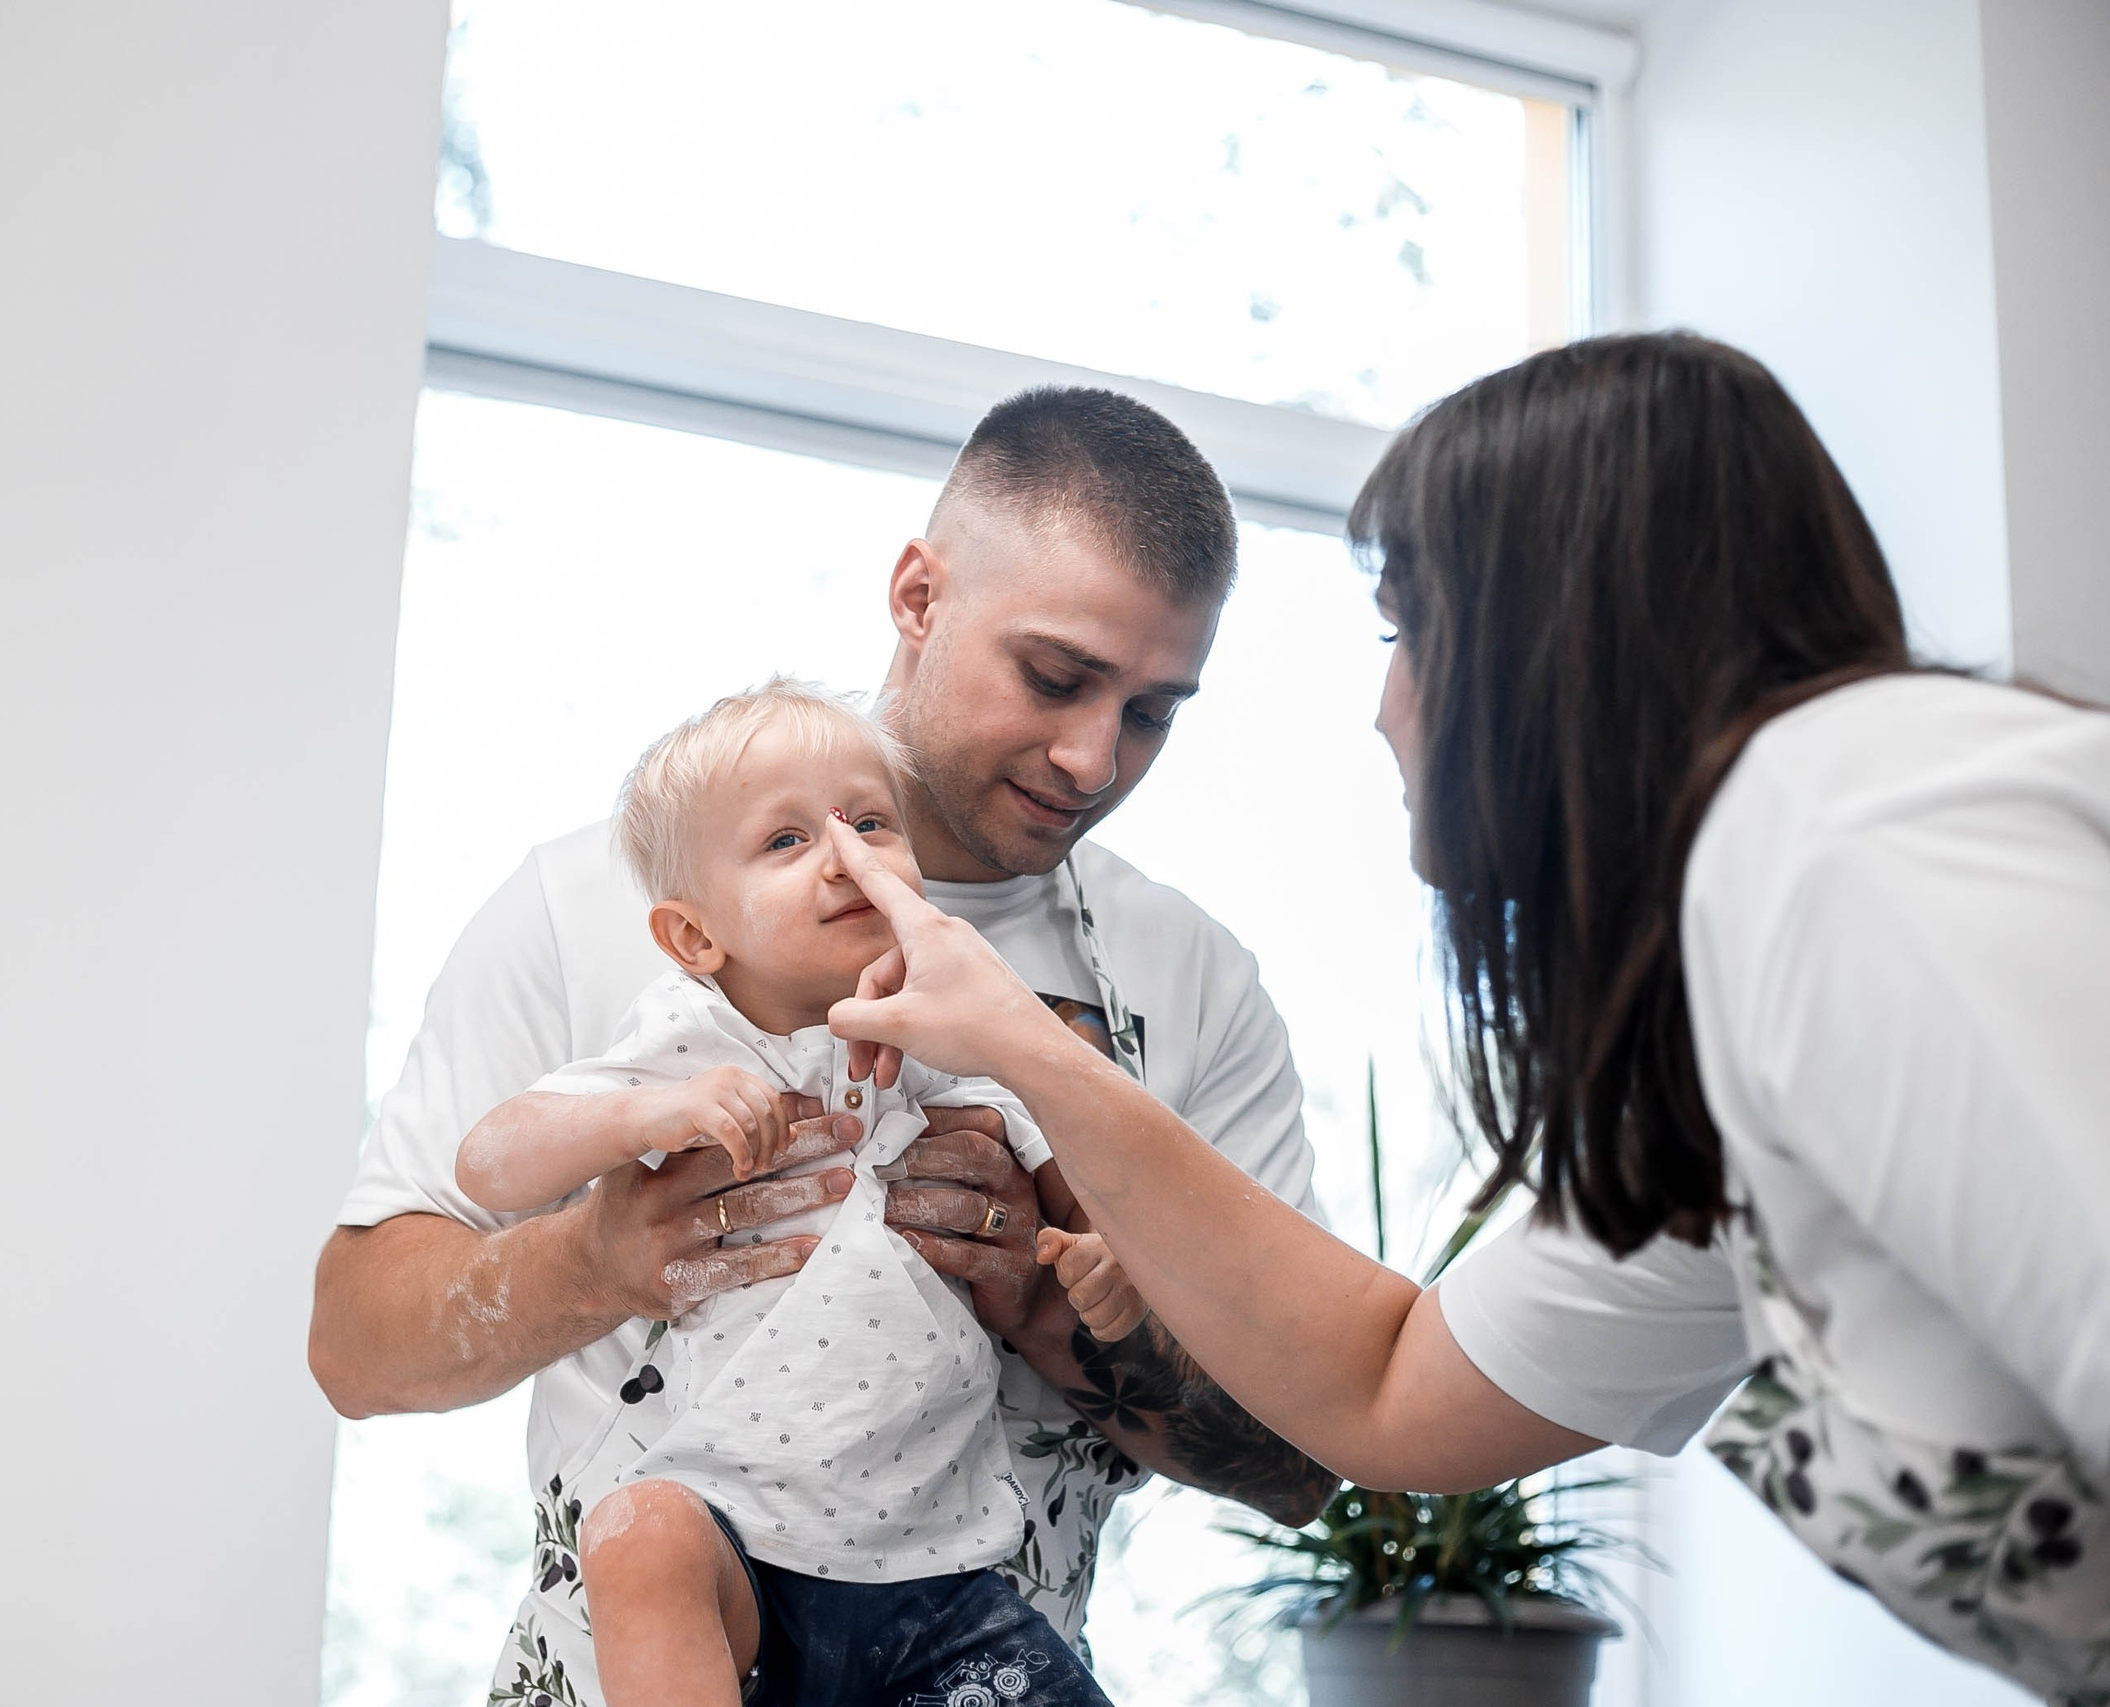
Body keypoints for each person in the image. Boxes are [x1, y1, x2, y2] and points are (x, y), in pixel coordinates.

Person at [815, 333, 2110, 1705]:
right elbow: (1394, 1393)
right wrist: (1022, 1047)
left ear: (1548, 644)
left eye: (1405, 633)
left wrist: (1021, 1065)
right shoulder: (1708, 1047)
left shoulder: (1856, 838)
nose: (1384, 708)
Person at [308, 384, 1342, 1707]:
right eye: (1055, 677)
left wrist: (1043, 1301)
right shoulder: (593, 904)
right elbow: (356, 1346)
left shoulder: (1190, 985)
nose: (1094, 757)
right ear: (917, 595)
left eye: (1153, 712)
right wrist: (595, 1257)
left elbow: (1305, 1459)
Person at [457, 680, 1141, 1707]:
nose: (844, 856)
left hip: (939, 1577)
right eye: (786, 841)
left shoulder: (949, 1031)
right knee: (638, 1534)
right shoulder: (687, 1041)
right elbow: (488, 1163)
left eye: (871, 824)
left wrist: (1100, 1256)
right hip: (741, 1556)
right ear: (694, 939)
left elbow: (1073, 1170)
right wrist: (643, 1115)